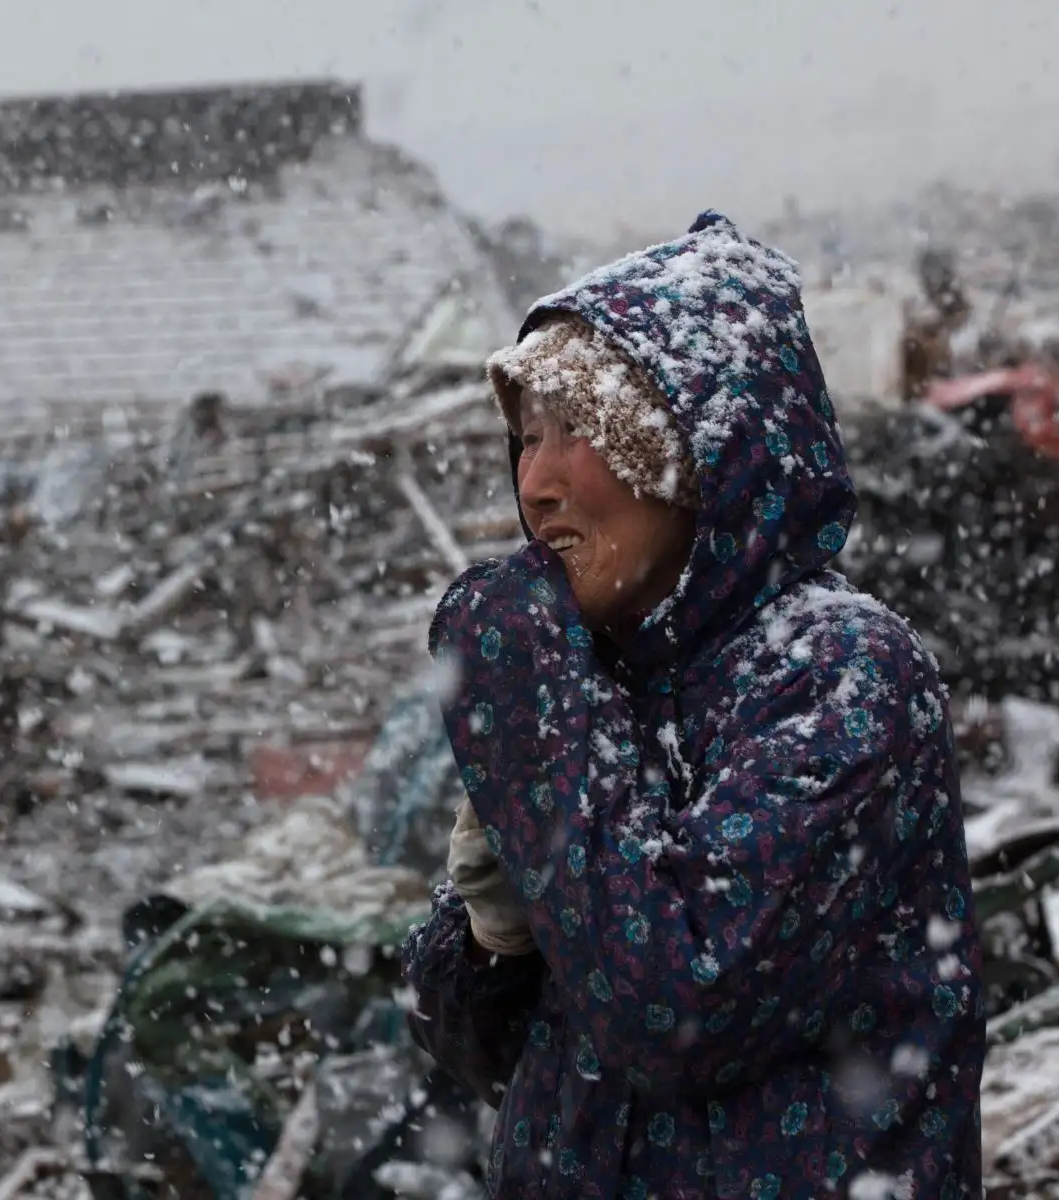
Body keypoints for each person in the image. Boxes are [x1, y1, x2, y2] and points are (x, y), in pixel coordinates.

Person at [402, 211, 985, 1199]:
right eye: (526, 437)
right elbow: (464, 1047)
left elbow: (680, 1009)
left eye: (577, 431)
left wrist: (530, 698)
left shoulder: (840, 674)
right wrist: (491, 934)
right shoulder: (599, 681)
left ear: (699, 451)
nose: (534, 483)